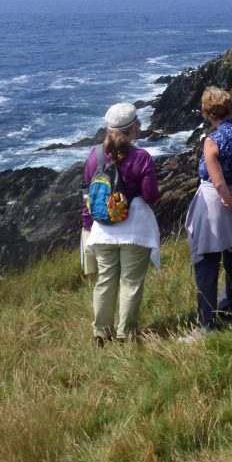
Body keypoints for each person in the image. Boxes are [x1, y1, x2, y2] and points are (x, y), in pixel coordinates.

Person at [82, 103, 161, 347]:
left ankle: (101, 333)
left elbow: (87, 193)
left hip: (103, 228)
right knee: (130, 283)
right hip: (134, 229)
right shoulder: (141, 157)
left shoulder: (94, 155)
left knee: (105, 281)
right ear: (134, 129)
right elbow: (150, 196)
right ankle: (126, 334)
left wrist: (87, 225)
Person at [183, 87, 232, 336]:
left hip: (216, 205)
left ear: (207, 112)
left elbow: (218, 183)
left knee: (207, 261)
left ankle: (206, 324)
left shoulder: (212, 140)